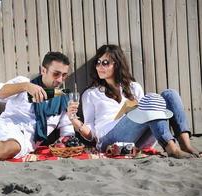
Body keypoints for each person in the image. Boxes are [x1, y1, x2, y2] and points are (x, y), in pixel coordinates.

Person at [67, 44, 200, 158]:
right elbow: (91, 135)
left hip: (139, 139)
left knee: (170, 94)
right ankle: (171, 148)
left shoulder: (134, 87)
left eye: (105, 63)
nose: (100, 66)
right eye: (98, 62)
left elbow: (149, 114)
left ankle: (185, 145)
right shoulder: (91, 94)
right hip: (108, 140)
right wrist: (74, 120)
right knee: (150, 100)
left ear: (117, 64)